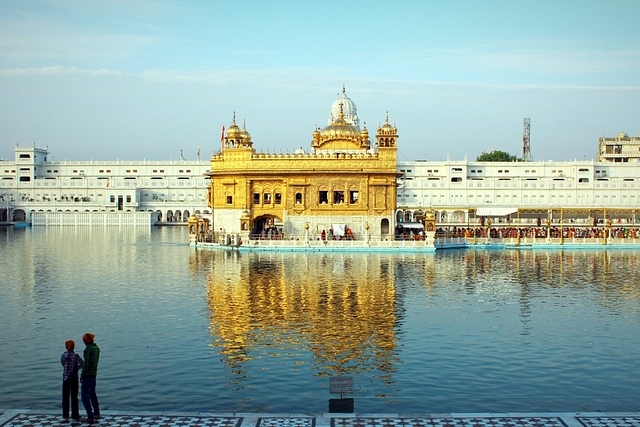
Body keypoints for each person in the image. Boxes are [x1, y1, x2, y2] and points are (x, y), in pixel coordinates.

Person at [80, 333, 100, 423]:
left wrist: (82, 375)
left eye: (85, 340)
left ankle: (90, 416)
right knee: (92, 394)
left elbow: (86, 364)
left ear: (89, 340)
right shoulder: (96, 349)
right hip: (94, 374)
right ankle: (96, 412)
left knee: (84, 396)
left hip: (88, 375)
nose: (84, 342)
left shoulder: (89, 349)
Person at [61, 340, 83, 421]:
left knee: (65, 397)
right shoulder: (76, 356)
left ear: (66, 347)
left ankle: (65, 414)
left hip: (65, 378)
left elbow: (63, 363)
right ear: (74, 346)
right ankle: (75, 415)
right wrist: (76, 369)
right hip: (74, 378)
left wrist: (66, 369)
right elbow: (82, 363)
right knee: (74, 397)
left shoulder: (64, 355)